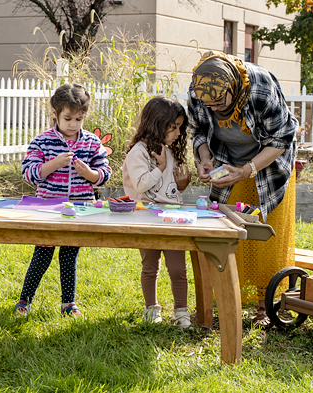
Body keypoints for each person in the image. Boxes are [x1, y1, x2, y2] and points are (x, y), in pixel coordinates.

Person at [188, 51, 298, 327]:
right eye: (207, 103)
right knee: (228, 232)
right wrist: (204, 158)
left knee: (264, 235)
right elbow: (199, 130)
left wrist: (248, 170)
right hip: (227, 160)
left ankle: (267, 307)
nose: (213, 109)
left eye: (218, 103)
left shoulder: (261, 89)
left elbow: (282, 137)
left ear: (233, 88)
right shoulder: (198, 88)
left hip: (268, 162)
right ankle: (229, 300)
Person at [14, 83, 112, 317]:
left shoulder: (90, 142)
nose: (73, 124)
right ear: (55, 114)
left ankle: (68, 303)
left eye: (79, 119)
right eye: (68, 118)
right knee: (41, 256)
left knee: (69, 256)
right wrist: (53, 164)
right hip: (48, 210)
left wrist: (88, 173)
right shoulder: (42, 141)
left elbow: (104, 175)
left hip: (79, 210)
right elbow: (29, 173)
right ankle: (24, 301)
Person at [122, 96, 192, 328]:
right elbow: (141, 185)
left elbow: (168, 190)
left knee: (178, 268)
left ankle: (181, 310)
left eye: (180, 127)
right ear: (157, 124)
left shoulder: (169, 150)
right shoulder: (139, 153)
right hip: (146, 216)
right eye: (173, 127)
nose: (178, 133)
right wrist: (161, 168)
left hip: (172, 217)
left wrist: (181, 185)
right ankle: (152, 308)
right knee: (150, 266)